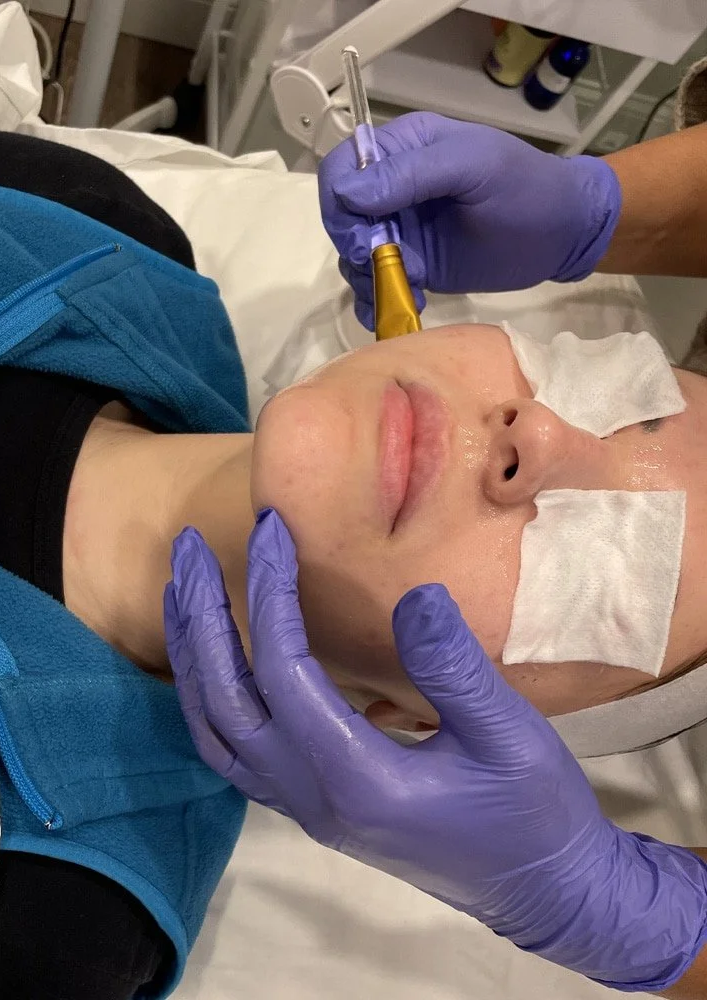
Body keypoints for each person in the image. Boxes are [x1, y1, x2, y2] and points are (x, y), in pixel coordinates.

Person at [164, 71, 707, 1000]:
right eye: (617, 389)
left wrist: (638, 921)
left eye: (600, 574)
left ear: (417, 724)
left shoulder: (53, 909)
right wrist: (596, 209)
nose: (540, 433)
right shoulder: (108, 252)